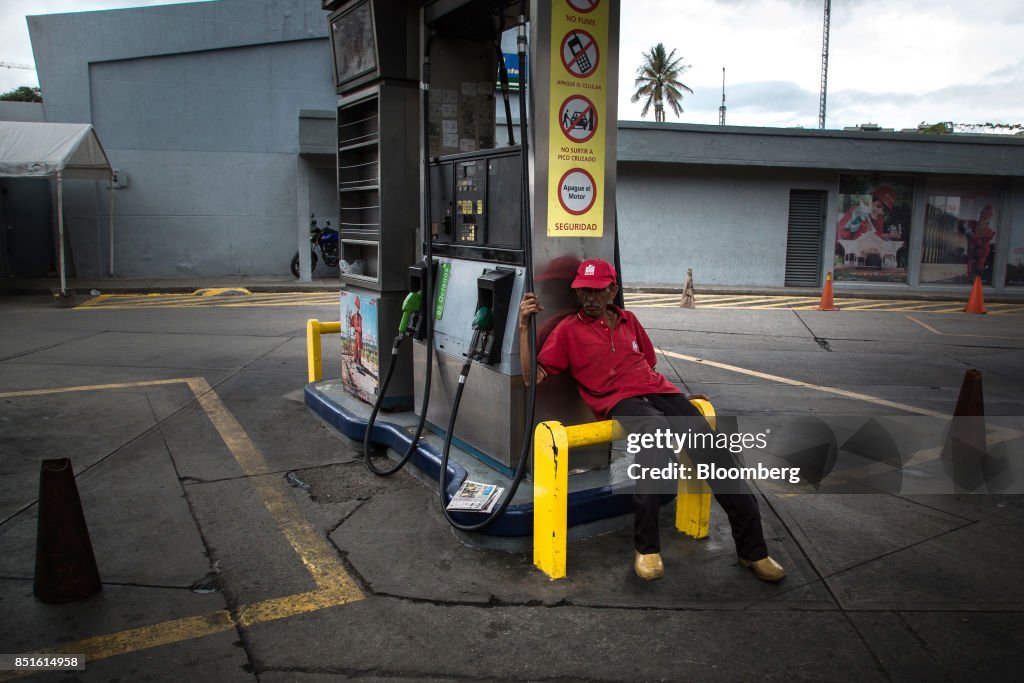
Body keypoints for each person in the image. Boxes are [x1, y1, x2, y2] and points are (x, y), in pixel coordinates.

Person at [518, 258, 785, 582]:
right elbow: (534, 378)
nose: (589, 299)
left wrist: (678, 401)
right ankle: (647, 549)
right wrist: (522, 328)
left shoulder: (630, 321)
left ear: (613, 290)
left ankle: (753, 551)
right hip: (619, 399)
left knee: (712, 447)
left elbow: (648, 363)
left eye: (597, 291)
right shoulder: (567, 331)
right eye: (583, 292)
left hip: (657, 390)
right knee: (654, 440)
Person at [963, 205, 996, 279]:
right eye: (982, 215)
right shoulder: (971, 223)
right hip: (970, 255)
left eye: (985, 217)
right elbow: (963, 226)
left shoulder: (989, 231)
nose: (982, 219)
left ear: (989, 218)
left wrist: (972, 236)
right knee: (968, 270)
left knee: (978, 273)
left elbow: (983, 245)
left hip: (980, 257)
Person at [349, 296, 363, 368]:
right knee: (355, 346)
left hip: (359, 335)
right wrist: (349, 319)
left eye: (357, 307)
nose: (356, 309)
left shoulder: (360, 317)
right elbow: (351, 324)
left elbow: (360, 329)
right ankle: (355, 359)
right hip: (356, 334)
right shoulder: (354, 316)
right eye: (355, 307)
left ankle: (359, 361)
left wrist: (356, 329)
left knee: (359, 347)